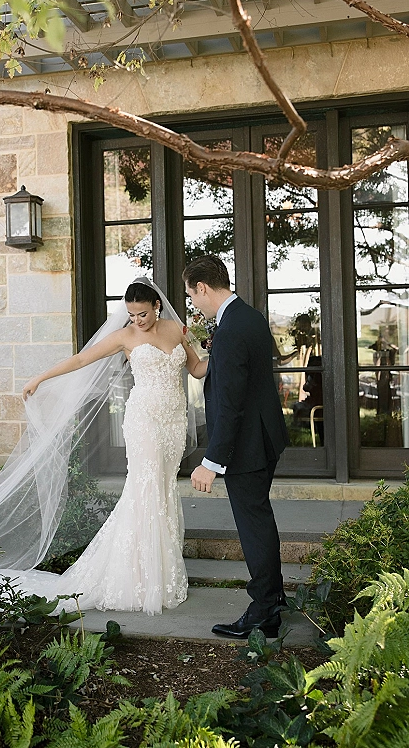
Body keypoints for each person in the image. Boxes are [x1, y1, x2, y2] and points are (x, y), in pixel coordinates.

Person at [0, 277, 206, 616]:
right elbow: (81, 360)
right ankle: (139, 579)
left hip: (173, 421)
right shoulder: (124, 336)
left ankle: (164, 574)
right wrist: (40, 378)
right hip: (144, 420)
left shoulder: (177, 329)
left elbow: (196, 369)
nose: (136, 321)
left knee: (164, 489)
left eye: (142, 314)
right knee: (146, 489)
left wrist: (221, 354)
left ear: (156, 307)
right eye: (131, 315)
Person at [183, 255, 289, 639]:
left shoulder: (229, 330)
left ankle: (263, 609)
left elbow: (230, 402)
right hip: (264, 437)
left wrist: (211, 461)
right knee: (260, 521)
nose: (193, 303)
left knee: (254, 526)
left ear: (204, 288)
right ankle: (272, 603)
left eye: (192, 295)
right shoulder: (250, 316)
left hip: (247, 447)